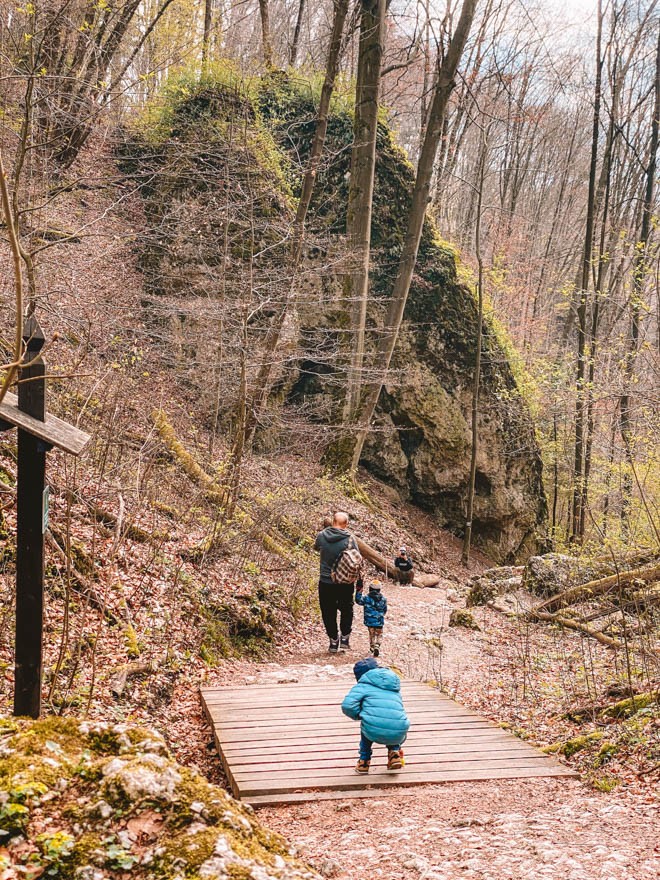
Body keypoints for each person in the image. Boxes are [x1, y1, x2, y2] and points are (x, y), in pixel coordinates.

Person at [341, 658, 410, 774]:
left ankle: (364, 761)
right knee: (389, 720)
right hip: (400, 730)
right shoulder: (392, 683)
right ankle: (395, 752)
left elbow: (347, 706)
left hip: (372, 729)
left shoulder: (363, 686)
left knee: (369, 723)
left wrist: (359, 715)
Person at [314, 511, 362, 653]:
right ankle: (345, 637)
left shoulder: (321, 536)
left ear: (333, 521)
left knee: (327, 611)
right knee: (347, 608)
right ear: (346, 524)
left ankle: (333, 641)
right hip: (345, 581)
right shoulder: (350, 539)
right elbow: (357, 559)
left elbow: (316, 547)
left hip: (325, 581)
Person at [355, 579, 387, 657]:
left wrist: (359, 591)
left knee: (371, 634)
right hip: (379, 621)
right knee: (379, 634)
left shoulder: (366, 598)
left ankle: (372, 647)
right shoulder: (383, 599)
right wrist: (381, 615)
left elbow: (358, 600)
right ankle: (377, 645)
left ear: (370, 589)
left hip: (369, 621)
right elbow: (385, 610)